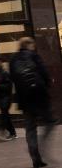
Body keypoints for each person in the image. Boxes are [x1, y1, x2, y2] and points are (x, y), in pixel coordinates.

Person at [10, 37, 56, 168]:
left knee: (30, 128)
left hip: (24, 99)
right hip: (39, 97)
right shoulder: (34, 56)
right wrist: (48, 83)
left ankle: (35, 156)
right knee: (50, 122)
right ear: (29, 45)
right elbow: (44, 73)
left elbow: (13, 78)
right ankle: (40, 146)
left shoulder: (13, 59)